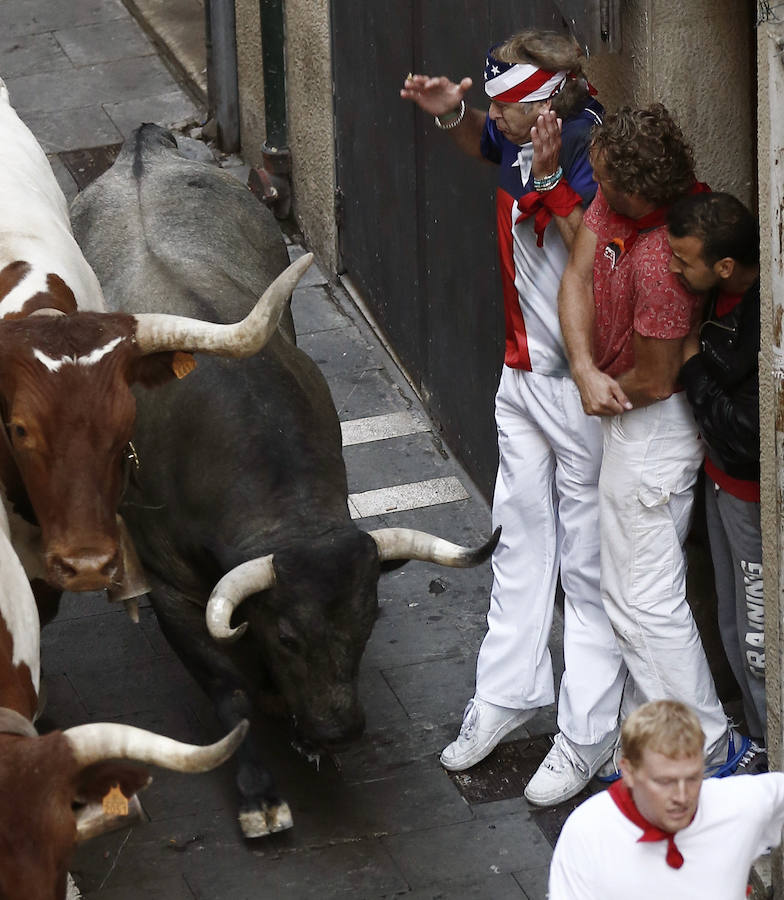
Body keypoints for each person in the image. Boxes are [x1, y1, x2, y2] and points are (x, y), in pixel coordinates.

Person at [400, 29, 625, 806]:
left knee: (591, 567)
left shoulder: (594, 152)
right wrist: (448, 115)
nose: (492, 115)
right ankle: (508, 692)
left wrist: (558, 177)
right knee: (519, 534)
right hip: (519, 374)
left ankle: (590, 731)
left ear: (544, 104)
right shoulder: (517, 126)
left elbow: (597, 260)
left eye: (504, 103)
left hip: (581, 387)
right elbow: (481, 141)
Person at [668, 193, 766, 766]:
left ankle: (771, 756)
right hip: (720, 484)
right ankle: (755, 738)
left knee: (754, 640)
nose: (674, 269)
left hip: (748, 498)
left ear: (725, 267)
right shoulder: (718, 296)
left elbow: (746, 435)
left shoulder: (760, 320)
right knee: (731, 625)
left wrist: (690, 365)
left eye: (684, 260)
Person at [549, 700, 782, 899]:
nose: (682, 797)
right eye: (664, 782)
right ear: (628, 771)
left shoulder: (740, 806)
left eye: (692, 778)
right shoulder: (587, 832)